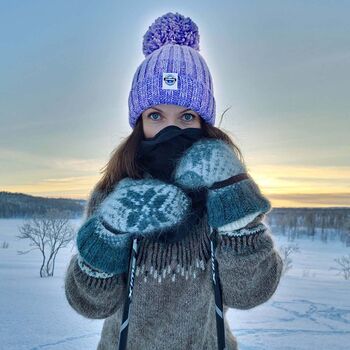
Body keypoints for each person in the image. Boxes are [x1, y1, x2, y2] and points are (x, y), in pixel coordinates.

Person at [64, 12, 283, 350]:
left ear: (203, 122)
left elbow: (251, 292)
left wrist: (240, 216)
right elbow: (91, 304)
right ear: (140, 123)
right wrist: (107, 236)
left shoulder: (222, 190)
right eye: (156, 115)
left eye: (186, 116)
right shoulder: (113, 192)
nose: (171, 130)